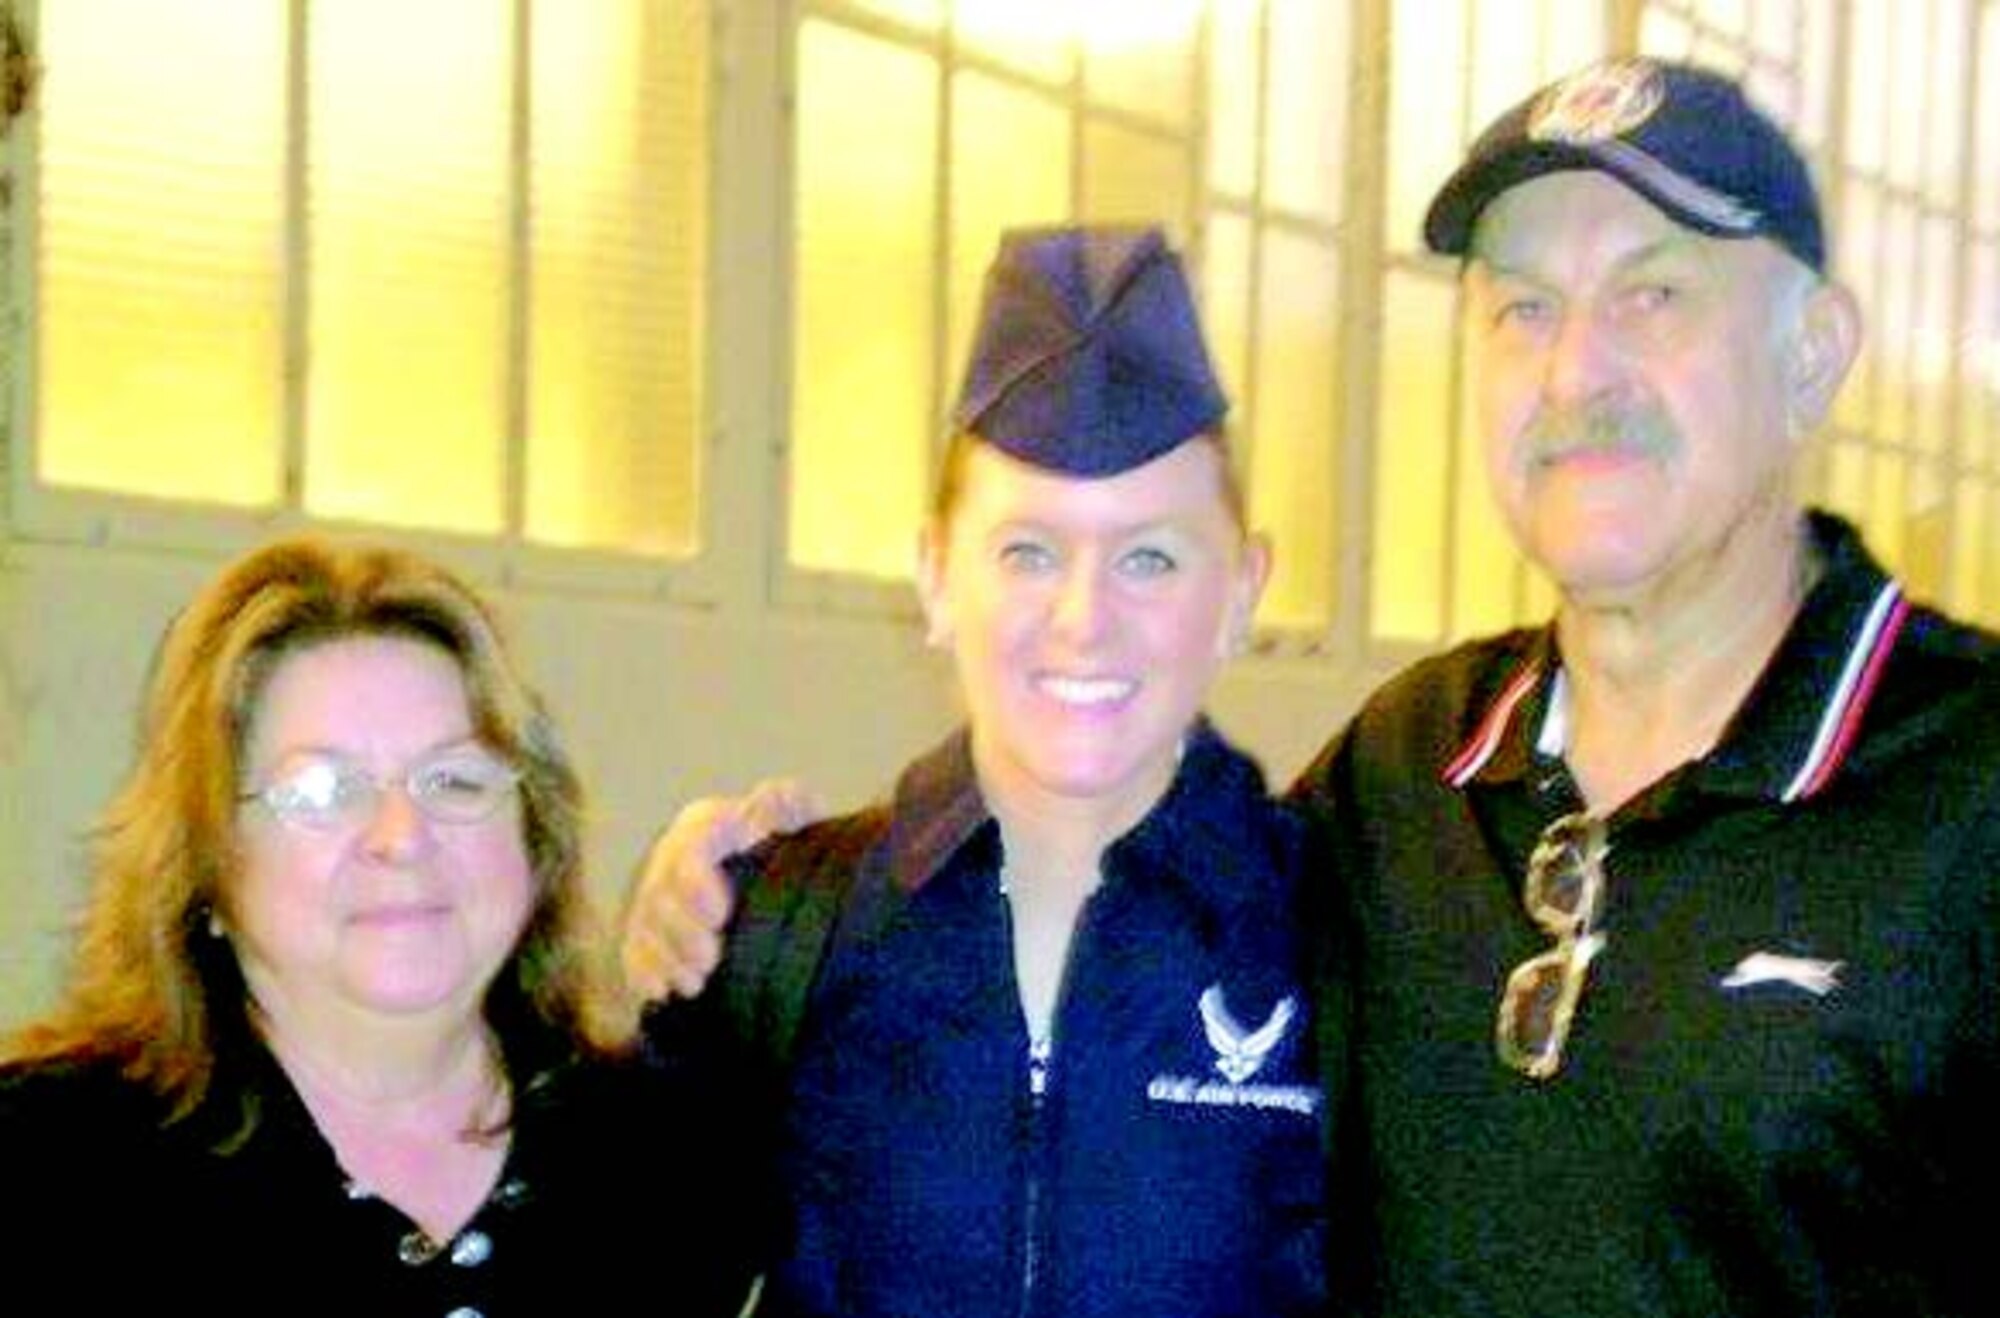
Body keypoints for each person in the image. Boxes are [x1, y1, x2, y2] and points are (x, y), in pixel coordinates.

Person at [624, 57, 2000, 1316]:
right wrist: (752, 889)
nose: (1578, 367)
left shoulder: (1972, 795)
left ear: (1815, 347)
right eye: (1525, 306)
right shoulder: (1414, 770)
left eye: (1655, 291)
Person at [642, 224, 1330, 1318]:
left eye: (1148, 556)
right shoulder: (781, 927)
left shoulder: (1343, 939)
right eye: (1027, 552)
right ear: (932, 576)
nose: (1082, 619)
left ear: (1241, 591)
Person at [0, 538, 757, 1315]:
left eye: (455, 780)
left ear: (537, 839)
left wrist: (794, 877)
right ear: (206, 868)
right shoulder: (46, 1168)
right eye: (323, 790)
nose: (401, 835)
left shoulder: (669, 1162)